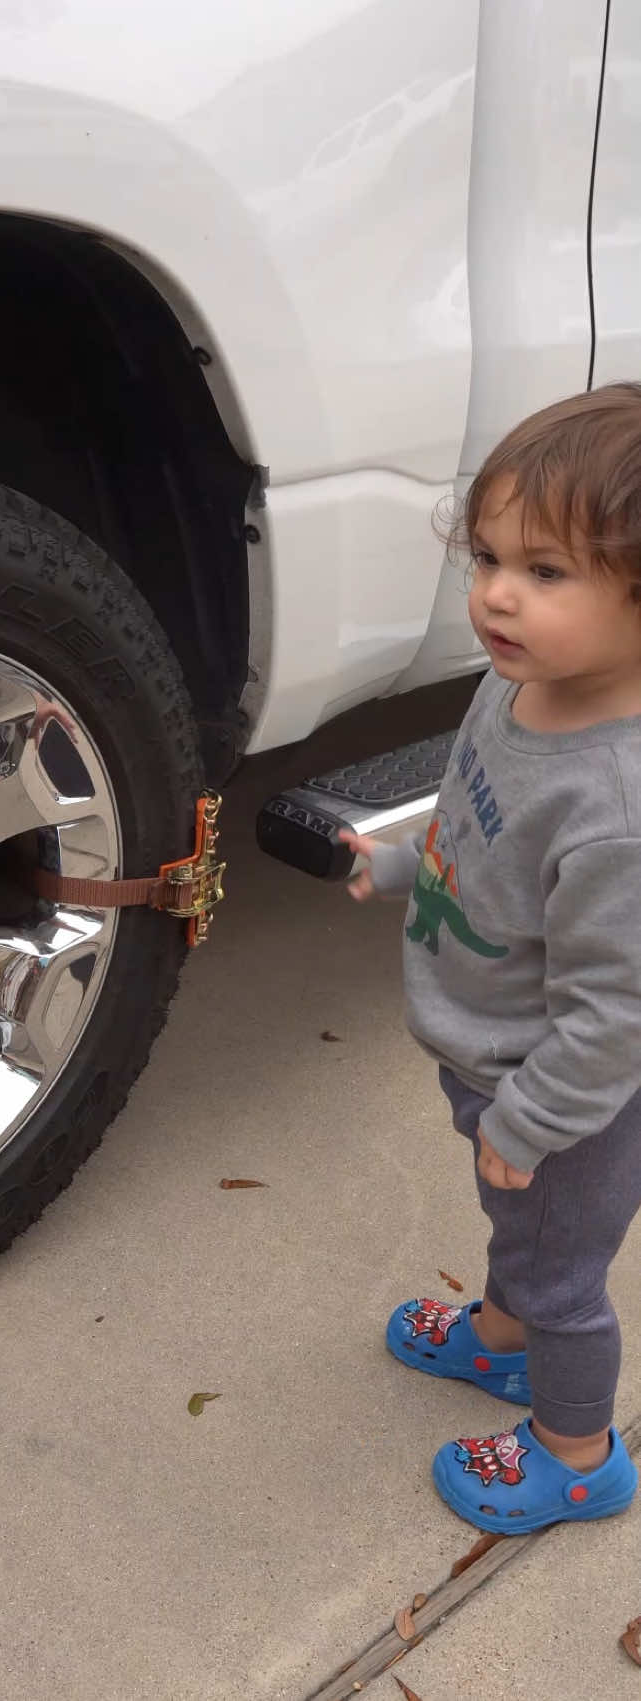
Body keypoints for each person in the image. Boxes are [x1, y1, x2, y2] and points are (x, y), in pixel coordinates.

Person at [342, 384, 641, 1534]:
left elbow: (616, 1013)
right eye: (488, 557)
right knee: (520, 1234)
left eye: (547, 572)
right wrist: (406, 860)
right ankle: (503, 1341)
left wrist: (531, 1120)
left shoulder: (616, 811)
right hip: (495, 1065)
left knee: (565, 1272)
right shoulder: (516, 686)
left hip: (564, 1099)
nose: (497, 595)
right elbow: (475, 820)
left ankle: (576, 1450)